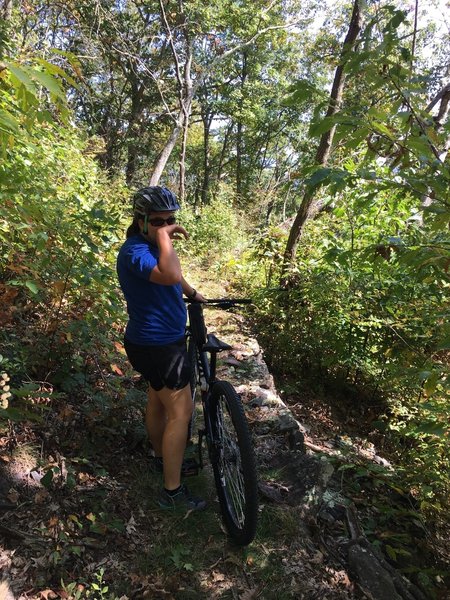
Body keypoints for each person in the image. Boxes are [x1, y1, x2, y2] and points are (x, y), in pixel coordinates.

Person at [116, 186, 207, 510]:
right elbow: (168, 274)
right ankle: (172, 492)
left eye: (170, 220)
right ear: (140, 221)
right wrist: (168, 237)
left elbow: (175, 275)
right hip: (157, 346)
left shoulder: (151, 245)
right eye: (158, 221)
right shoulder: (134, 252)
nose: (165, 226)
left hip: (154, 343)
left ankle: (160, 457)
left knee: (157, 398)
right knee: (180, 413)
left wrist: (192, 292)